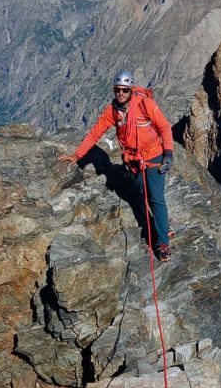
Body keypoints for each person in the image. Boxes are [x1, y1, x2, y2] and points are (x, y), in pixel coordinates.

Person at [60, 70, 174, 261]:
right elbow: (95, 133)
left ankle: (162, 243)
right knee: (141, 191)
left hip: (154, 158)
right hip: (134, 161)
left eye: (124, 90)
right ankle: (163, 224)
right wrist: (77, 156)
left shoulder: (146, 104)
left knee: (156, 198)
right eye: (117, 90)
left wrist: (168, 154)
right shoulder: (113, 110)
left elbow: (164, 127)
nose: (120, 93)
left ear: (131, 90)